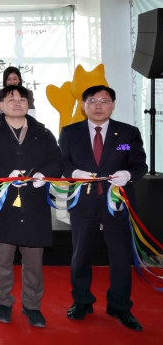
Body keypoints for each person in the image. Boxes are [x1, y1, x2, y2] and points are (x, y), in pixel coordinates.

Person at [0, 84, 63, 327]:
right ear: (0, 105)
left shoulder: (42, 133)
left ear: (28, 104)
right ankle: (3, 302)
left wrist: (44, 174)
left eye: (22, 99)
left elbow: (57, 161)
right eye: (11, 99)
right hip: (4, 204)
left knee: (33, 261)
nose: (17, 102)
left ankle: (32, 305)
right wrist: (5, 174)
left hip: (34, 205)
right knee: (2, 260)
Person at [59, 85, 147, 331]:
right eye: (93, 101)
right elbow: (61, 161)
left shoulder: (127, 134)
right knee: (80, 255)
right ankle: (82, 302)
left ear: (114, 105)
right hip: (83, 202)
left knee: (120, 257)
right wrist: (74, 173)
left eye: (104, 101)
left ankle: (119, 306)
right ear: (84, 105)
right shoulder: (69, 132)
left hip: (117, 202)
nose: (98, 106)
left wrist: (127, 173)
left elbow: (138, 162)